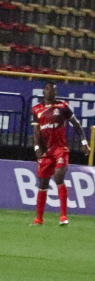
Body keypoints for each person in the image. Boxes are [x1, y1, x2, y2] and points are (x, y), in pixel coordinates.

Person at [31, 81, 89, 226]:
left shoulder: (63, 107)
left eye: (53, 90)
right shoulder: (36, 109)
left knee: (59, 176)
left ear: (56, 92)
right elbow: (36, 132)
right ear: (44, 91)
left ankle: (63, 216)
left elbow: (76, 123)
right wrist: (36, 147)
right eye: (48, 89)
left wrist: (83, 141)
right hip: (46, 150)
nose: (51, 92)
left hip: (60, 149)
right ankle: (39, 219)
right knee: (43, 183)